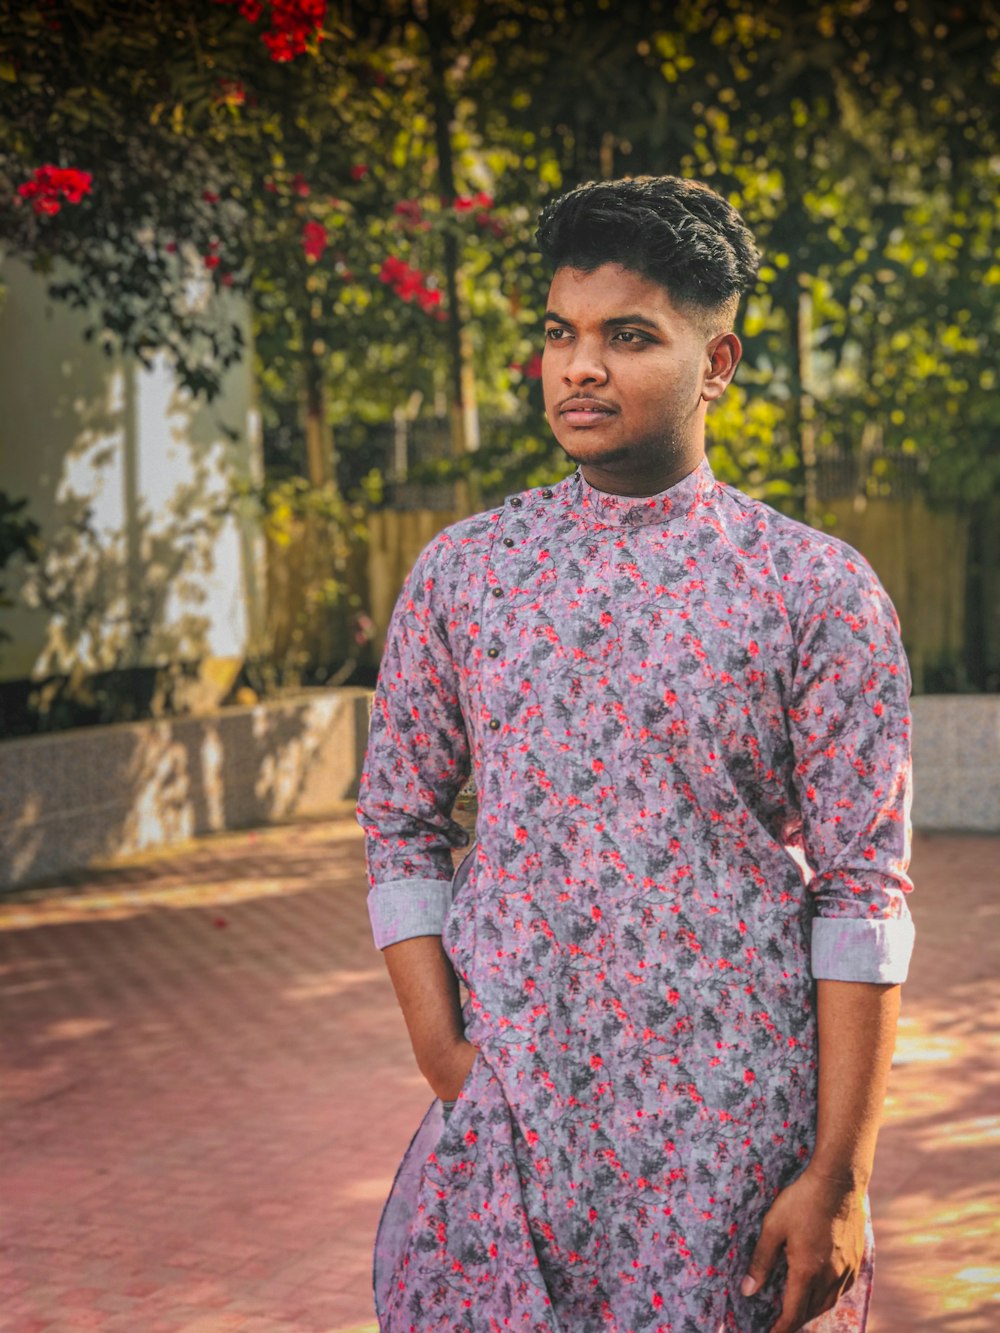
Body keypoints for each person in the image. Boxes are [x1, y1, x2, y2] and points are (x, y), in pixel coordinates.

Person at [357, 175, 915, 1333]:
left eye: (628, 336)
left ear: (717, 362)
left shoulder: (814, 591)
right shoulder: (467, 574)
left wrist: (840, 1173)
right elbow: (400, 815)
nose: (579, 367)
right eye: (560, 334)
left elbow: (863, 887)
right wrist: (443, 1052)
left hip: (732, 1135)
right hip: (519, 1126)